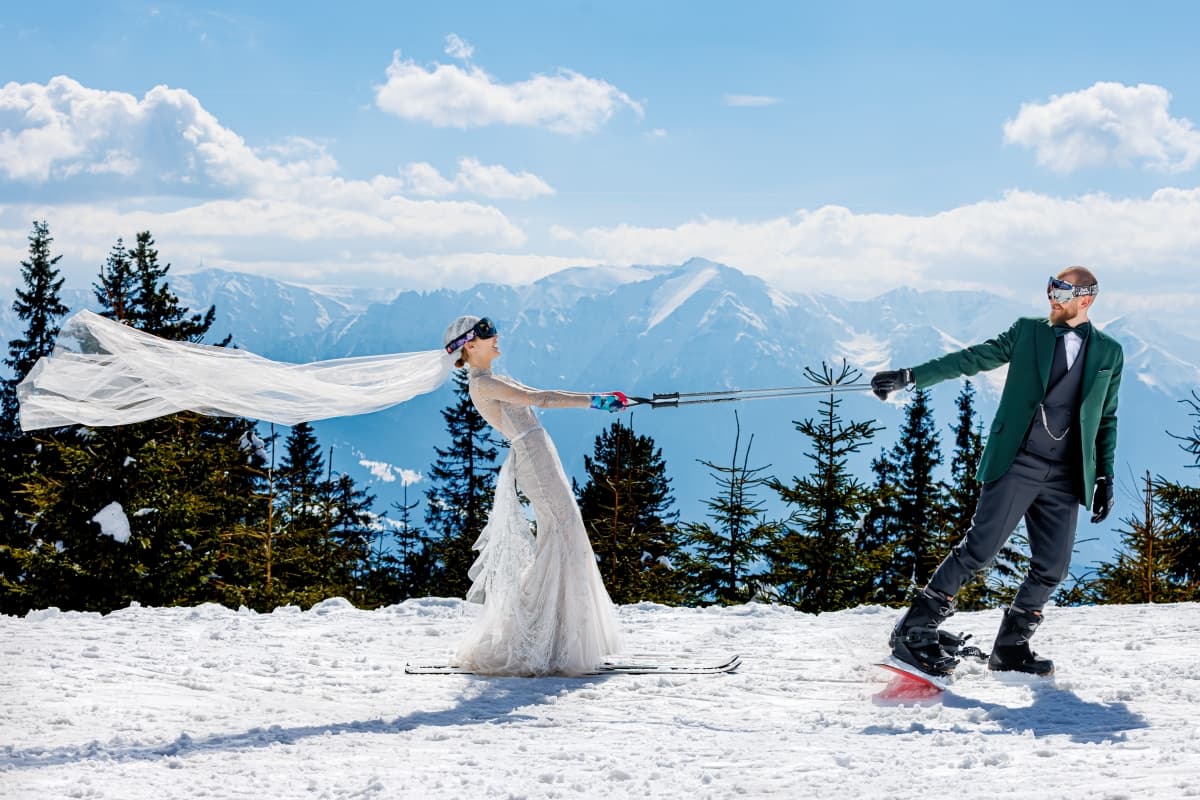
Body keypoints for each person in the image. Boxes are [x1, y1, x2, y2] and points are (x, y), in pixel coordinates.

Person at [870, 267, 1123, 678]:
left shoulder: (1110, 352)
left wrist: (1104, 476)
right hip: (1017, 460)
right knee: (979, 550)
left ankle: (1011, 647)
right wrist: (912, 376)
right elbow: (973, 358)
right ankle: (914, 629)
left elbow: (1106, 417)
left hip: (1065, 473)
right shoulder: (1028, 332)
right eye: (1051, 289)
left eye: (1062, 292)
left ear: (1086, 299)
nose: (1052, 298)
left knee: (1053, 566)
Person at [443, 315, 627, 676]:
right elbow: (539, 398)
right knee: (562, 537)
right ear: (470, 346)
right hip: (534, 459)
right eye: (486, 333)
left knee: (565, 537)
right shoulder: (483, 384)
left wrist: (599, 400)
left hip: (539, 455)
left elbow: (536, 394)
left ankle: (553, 636)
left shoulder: (494, 379)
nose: (496, 336)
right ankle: (539, 638)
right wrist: (595, 401)